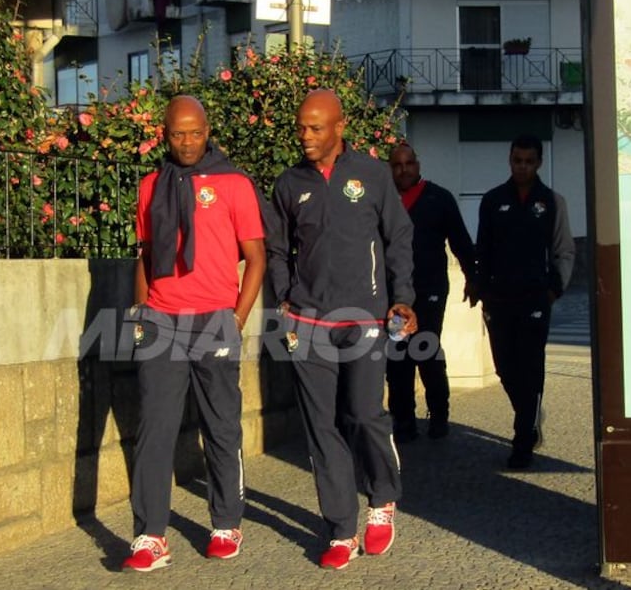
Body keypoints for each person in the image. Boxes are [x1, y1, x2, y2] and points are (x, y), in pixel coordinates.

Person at [268, 89, 417, 570]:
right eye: (301, 128)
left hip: (366, 317)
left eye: (315, 128)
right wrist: (284, 296)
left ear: (339, 127)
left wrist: (403, 298)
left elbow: (398, 236)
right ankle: (340, 528)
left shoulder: (371, 174)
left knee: (362, 413)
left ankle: (382, 498)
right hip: (308, 320)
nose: (306, 136)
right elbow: (276, 246)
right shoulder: (289, 183)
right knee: (322, 426)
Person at [122, 95, 267, 571]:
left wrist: (238, 317)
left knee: (221, 425)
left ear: (208, 132)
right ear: (165, 134)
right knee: (154, 430)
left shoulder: (234, 183)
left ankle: (226, 522)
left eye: (195, 132)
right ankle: (149, 536)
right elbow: (146, 253)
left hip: (214, 319)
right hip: (161, 321)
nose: (187, 142)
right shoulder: (150, 185)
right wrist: (142, 310)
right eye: (177, 134)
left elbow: (256, 256)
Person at [472, 134, 575, 469]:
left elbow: (564, 249)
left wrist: (554, 289)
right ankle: (529, 414)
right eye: (517, 160)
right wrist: (479, 287)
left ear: (539, 163)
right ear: (510, 160)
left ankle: (523, 440)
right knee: (505, 367)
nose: (523, 167)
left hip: (535, 298)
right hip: (498, 299)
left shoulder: (552, 202)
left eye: (529, 161)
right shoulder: (492, 201)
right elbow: (482, 248)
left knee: (530, 369)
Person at [386, 143, 476, 442]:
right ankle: (403, 420)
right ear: (390, 168)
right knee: (398, 355)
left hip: (430, 289)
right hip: (396, 295)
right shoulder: (384, 201)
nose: (404, 170)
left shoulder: (439, 198)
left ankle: (438, 415)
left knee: (426, 348)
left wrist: (472, 278)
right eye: (397, 165)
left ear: (418, 164)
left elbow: (461, 242)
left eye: (409, 163)